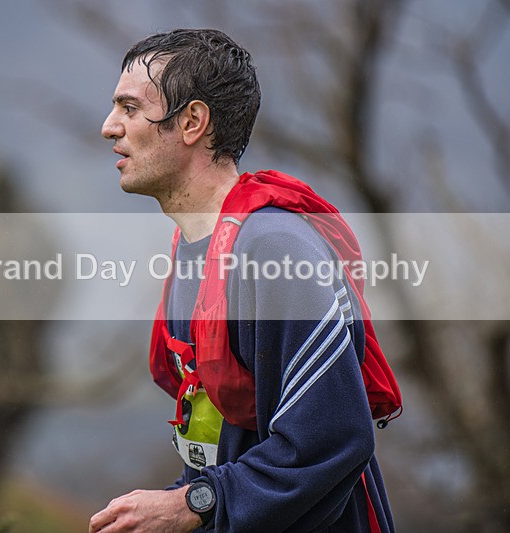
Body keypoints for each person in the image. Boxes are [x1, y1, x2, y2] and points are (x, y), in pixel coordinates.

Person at [91, 28, 397, 533]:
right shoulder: (193, 248)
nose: (109, 127)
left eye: (129, 108)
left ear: (191, 122)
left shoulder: (273, 249)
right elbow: (230, 443)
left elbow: (334, 439)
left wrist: (193, 503)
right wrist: (177, 504)